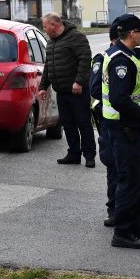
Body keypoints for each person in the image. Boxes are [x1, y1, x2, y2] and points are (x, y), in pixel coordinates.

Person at [102, 14, 140, 249]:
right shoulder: (121, 61)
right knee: (129, 181)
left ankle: (133, 226)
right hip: (124, 129)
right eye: (139, 31)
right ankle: (122, 232)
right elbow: (118, 99)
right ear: (131, 33)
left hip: (130, 128)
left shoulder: (129, 57)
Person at [38, 12, 96, 167]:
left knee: (83, 123)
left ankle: (89, 155)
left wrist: (79, 81)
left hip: (77, 91)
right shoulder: (51, 42)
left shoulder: (76, 37)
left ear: (53, 25)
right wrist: (43, 86)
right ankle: (74, 154)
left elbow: (85, 59)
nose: (44, 30)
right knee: (68, 124)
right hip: (61, 91)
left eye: (45, 27)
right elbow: (48, 66)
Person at [90, 18, 120, 227]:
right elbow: (94, 90)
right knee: (113, 167)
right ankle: (113, 209)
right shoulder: (102, 59)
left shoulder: (131, 57)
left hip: (128, 123)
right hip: (108, 120)